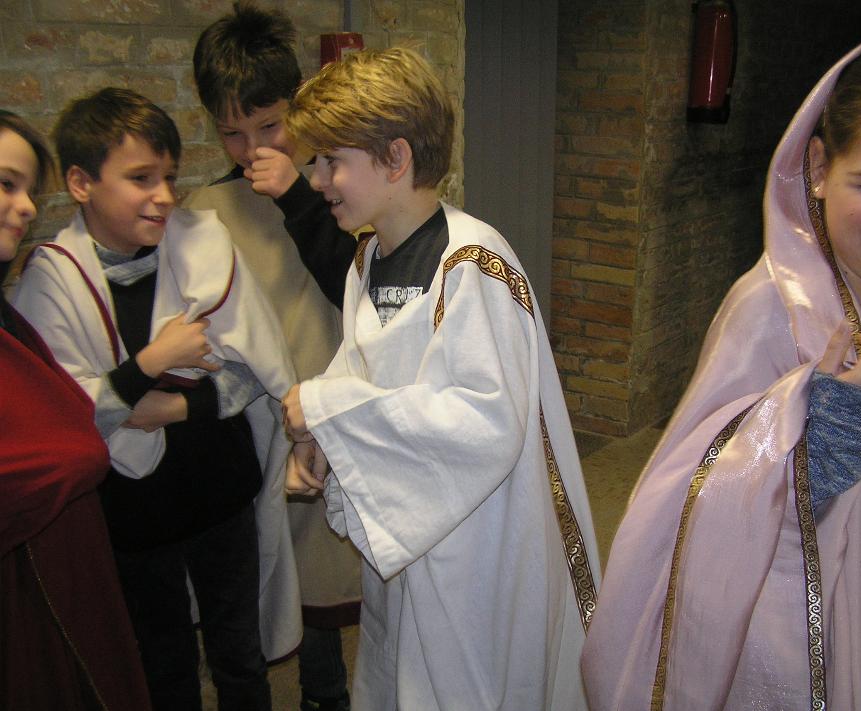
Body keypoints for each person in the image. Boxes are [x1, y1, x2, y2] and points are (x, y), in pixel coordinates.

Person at [581, 33, 861, 711]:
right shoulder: (770, 309)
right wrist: (825, 434)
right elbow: (685, 506)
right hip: (792, 643)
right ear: (819, 167)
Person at [280, 46, 600, 711]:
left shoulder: (474, 264)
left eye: (332, 161)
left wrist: (327, 409)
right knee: (402, 666)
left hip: (475, 540)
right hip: (405, 520)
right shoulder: (368, 257)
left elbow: (487, 422)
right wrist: (323, 440)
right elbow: (361, 366)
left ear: (395, 158)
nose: (316, 179)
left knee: (464, 679)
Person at [12, 88, 302, 711]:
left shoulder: (203, 244)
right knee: (161, 662)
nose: (165, 196)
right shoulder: (51, 281)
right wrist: (153, 362)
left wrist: (169, 407)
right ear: (81, 184)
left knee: (239, 655)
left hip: (221, 491)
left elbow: (255, 372)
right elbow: (60, 421)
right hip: (134, 516)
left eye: (169, 177)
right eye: (141, 178)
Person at [187, 5, 360, 708]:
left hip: (328, 409)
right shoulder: (207, 206)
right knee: (259, 575)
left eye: (269, 126)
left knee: (323, 580)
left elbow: (355, 287)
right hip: (252, 425)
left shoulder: (337, 188)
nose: (251, 147)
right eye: (232, 132)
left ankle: (328, 693)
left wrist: (297, 197)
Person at [0, 110, 152, 711]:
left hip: (59, 571)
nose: (25, 207)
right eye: (6, 184)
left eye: (29, 192)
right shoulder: (51, 276)